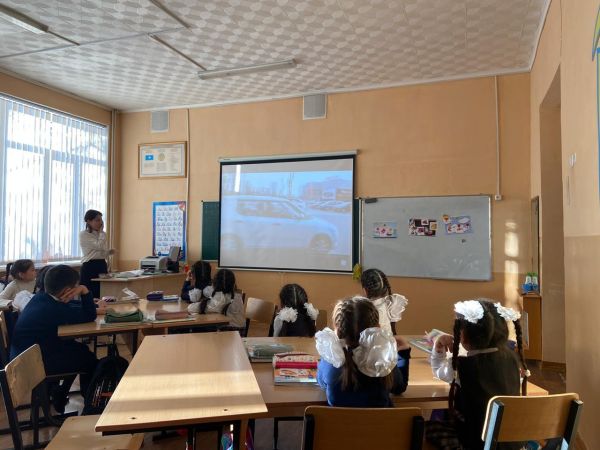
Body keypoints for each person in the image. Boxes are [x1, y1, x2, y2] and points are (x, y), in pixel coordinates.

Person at [427, 299, 528, 450]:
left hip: (476, 442)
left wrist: (438, 346)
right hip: (510, 441)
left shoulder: (461, 366)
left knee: (428, 428)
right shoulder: (513, 359)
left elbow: (437, 370)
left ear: (463, 336)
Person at [9, 265, 98, 413]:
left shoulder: (41, 298)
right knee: (87, 359)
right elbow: (89, 315)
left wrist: (86, 299)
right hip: (31, 366)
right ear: (67, 290)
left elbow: (69, 306)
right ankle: (92, 405)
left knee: (79, 350)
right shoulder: (53, 309)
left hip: (24, 360)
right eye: (75, 287)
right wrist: (84, 290)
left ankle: (60, 393)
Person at [315, 297, 411, 407]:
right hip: (381, 419)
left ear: (337, 330)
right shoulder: (382, 362)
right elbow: (399, 388)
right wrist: (403, 354)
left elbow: (321, 382)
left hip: (337, 419)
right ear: (377, 328)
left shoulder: (330, 361)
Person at [360, 268, 408, 334]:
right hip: (389, 340)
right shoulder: (390, 303)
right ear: (385, 288)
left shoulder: (363, 310)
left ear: (365, 290)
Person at [79, 209, 114, 299]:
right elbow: (99, 246)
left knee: (102, 293)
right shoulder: (84, 234)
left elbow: (101, 250)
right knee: (90, 295)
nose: (101, 222)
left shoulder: (102, 234)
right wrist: (101, 233)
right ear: (89, 221)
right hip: (89, 266)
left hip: (101, 264)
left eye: (101, 220)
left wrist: (108, 252)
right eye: (97, 220)